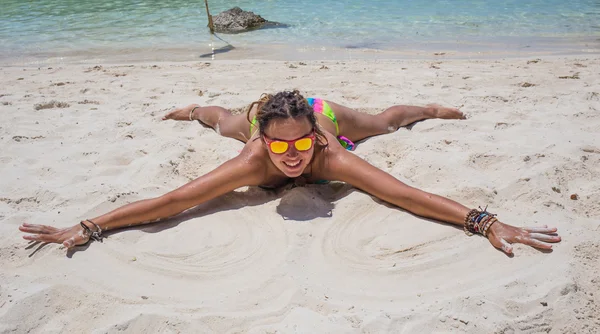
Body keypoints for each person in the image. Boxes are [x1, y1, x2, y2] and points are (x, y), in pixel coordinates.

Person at [19, 90, 561, 254]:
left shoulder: (329, 148)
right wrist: (89, 227)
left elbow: (407, 195)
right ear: (267, 142)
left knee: (381, 122)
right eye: (283, 147)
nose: (295, 155)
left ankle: (425, 108)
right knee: (222, 119)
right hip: (251, 119)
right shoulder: (253, 153)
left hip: (328, 109)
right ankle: (192, 107)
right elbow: (171, 202)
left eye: (304, 143)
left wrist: (486, 222)